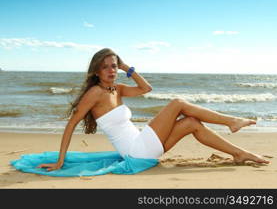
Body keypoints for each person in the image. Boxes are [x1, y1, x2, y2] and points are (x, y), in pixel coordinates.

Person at [38, 48, 269, 171]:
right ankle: (231, 121)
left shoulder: (116, 88)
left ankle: (238, 153)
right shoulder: (95, 93)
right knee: (177, 103)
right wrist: (60, 161)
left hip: (143, 147)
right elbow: (71, 124)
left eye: (114, 66)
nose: (111, 70)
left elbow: (146, 88)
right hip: (137, 152)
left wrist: (127, 67)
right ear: (96, 71)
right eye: (105, 67)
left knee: (191, 124)